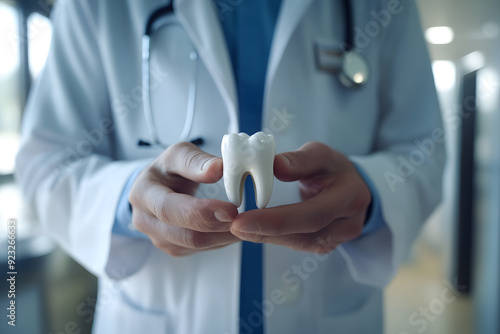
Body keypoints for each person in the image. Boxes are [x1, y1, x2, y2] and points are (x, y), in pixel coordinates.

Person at [16, 0, 445, 333]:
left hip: (327, 308)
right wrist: (127, 198)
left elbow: (424, 147)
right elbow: (45, 161)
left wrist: (372, 191)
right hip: (159, 311)